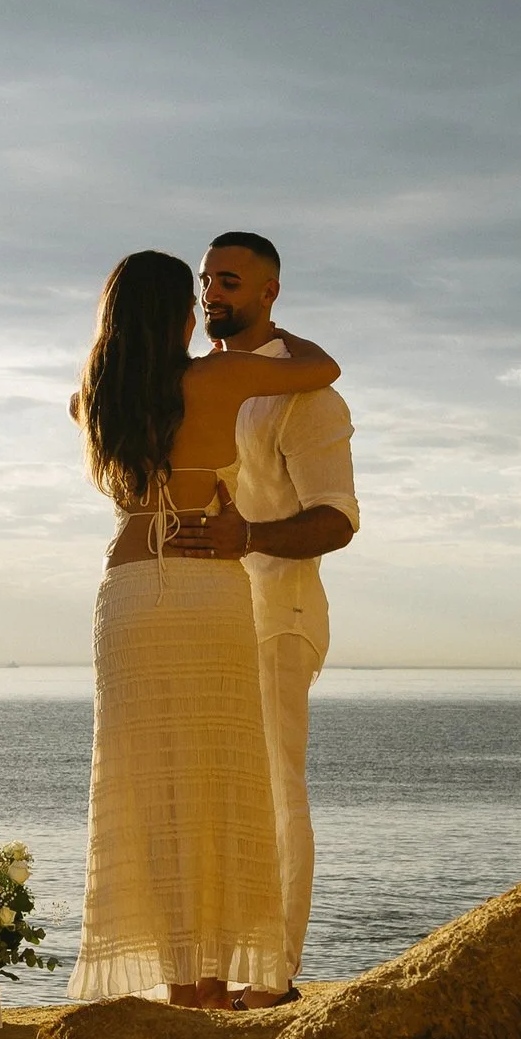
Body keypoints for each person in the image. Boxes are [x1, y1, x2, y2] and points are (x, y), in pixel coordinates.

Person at [64, 251, 341, 1010]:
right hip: (205, 590)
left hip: (126, 600)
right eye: (192, 296)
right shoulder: (217, 381)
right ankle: (215, 986)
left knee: (149, 791)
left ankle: (178, 982)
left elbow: (92, 399)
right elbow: (323, 366)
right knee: (222, 789)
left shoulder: (91, 400)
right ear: (176, 315)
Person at [162, 231, 359, 993]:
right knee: (210, 799)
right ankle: (211, 970)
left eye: (232, 280)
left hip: (278, 612)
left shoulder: (306, 393)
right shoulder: (192, 384)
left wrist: (250, 536)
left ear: (270, 292)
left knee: (277, 791)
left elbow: (336, 518)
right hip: (200, 619)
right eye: (208, 278)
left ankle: (272, 978)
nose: (215, 291)